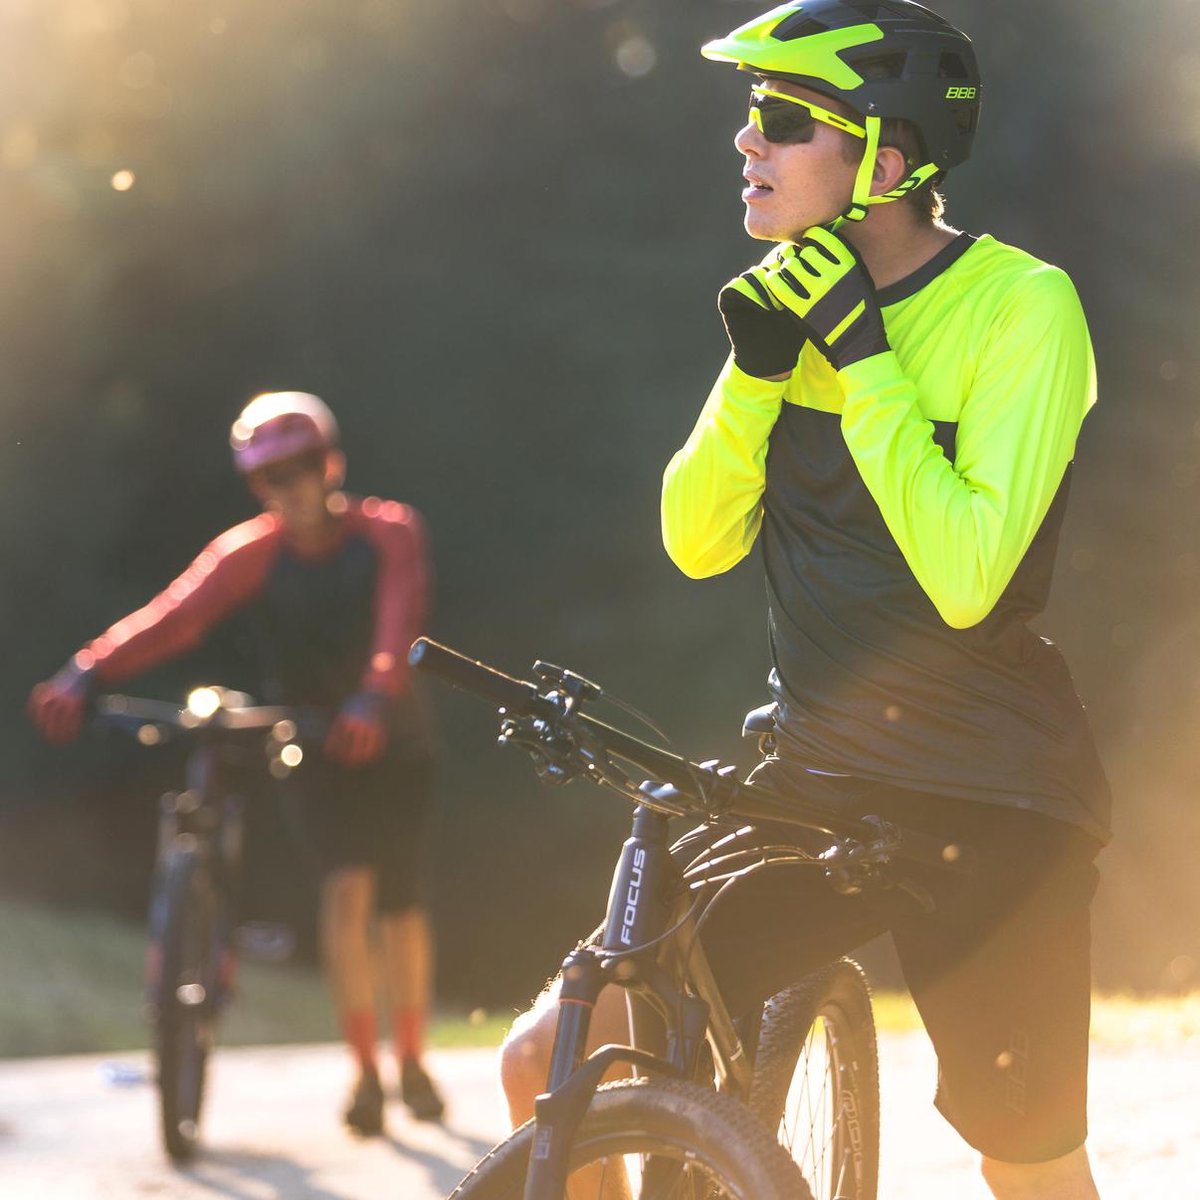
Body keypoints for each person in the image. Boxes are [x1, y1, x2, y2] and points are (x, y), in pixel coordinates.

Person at [499, 3, 1110, 1198]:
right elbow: (697, 541)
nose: (748, 141)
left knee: (1028, 1161)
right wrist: (758, 369)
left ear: (885, 158)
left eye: (783, 119)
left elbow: (969, 577)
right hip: (818, 773)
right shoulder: (788, 300)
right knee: (546, 1062)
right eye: (752, 115)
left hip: (992, 794)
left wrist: (865, 357)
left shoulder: (1023, 305)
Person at [28, 391, 445, 1136]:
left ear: (329, 465)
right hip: (312, 740)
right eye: (269, 476)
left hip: (393, 739)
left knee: (399, 907)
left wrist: (374, 697)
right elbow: (175, 616)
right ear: (256, 485)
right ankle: (366, 1072)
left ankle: (411, 1059)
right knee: (346, 891)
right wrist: (85, 672)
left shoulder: (389, 532)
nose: (289, 486)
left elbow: (398, 624)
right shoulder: (251, 552)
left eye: (300, 467)